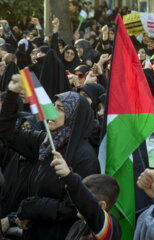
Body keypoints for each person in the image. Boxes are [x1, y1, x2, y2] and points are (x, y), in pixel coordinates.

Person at [0, 74, 100, 240]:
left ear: (73, 116)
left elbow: (77, 206)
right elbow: (6, 132)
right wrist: (12, 95)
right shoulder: (45, 141)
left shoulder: (85, 157)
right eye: (53, 105)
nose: (51, 111)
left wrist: (35, 207)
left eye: (60, 108)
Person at [50, 151, 122, 240]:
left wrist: (69, 177)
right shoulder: (77, 225)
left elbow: (90, 207)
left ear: (102, 205)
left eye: (85, 196)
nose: (78, 201)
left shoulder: (108, 226)